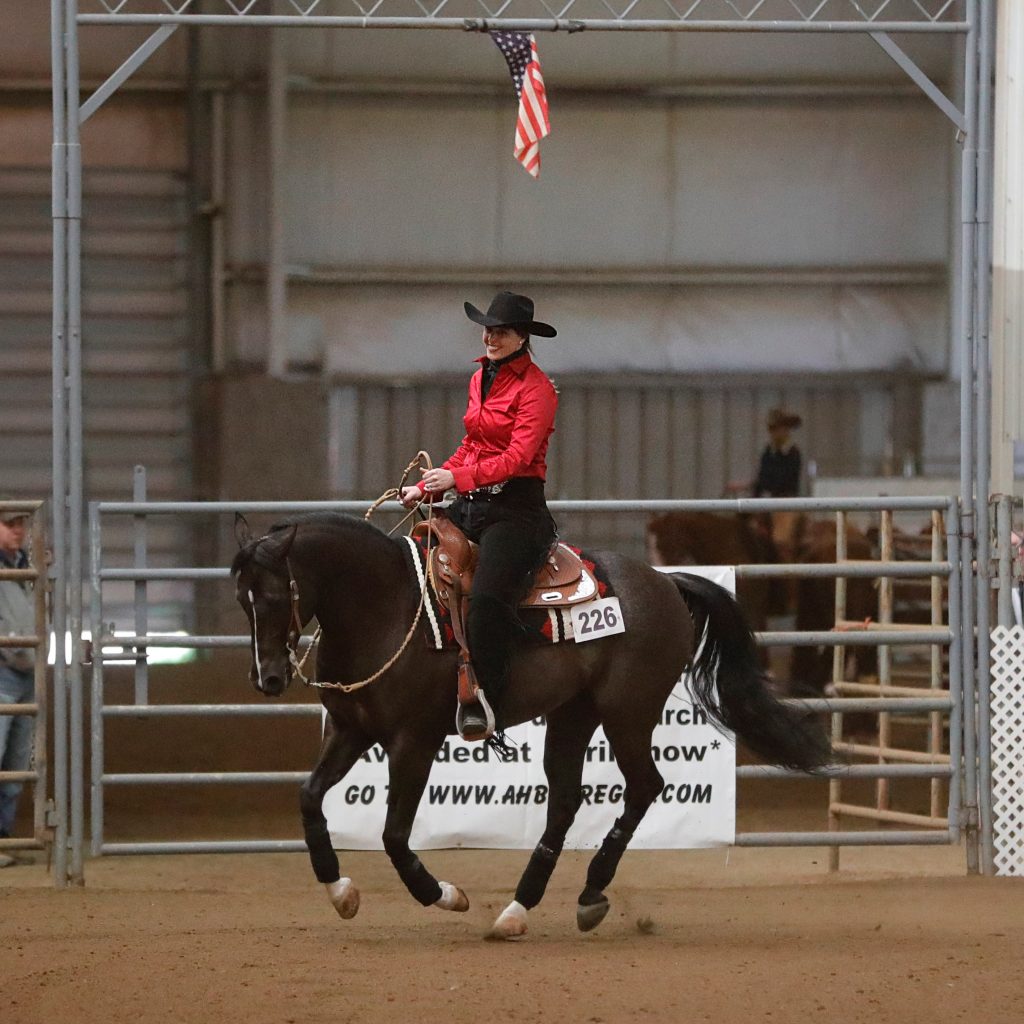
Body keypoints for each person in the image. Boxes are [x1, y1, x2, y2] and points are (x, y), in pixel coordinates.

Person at [401, 291, 559, 743]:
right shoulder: (480, 378)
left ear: (522, 337)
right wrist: (433, 480)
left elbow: (517, 457)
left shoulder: (538, 390)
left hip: (516, 509)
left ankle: (487, 701)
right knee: (412, 569)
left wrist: (456, 478)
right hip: (473, 502)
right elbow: (472, 443)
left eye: (501, 330)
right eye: (488, 329)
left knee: (488, 601)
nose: (490, 336)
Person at [0, 509, 36, 866]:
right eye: (9, 524)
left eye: (20, 524)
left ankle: (3, 839)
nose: (17, 530)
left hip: (25, 672)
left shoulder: (24, 567)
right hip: (4, 671)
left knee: (14, 764)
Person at [753, 408, 803, 498]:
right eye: (772, 429)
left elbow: (787, 482)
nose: (773, 433)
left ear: (786, 429)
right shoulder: (768, 451)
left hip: (786, 500)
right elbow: (762, 478)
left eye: (777, 428)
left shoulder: (793, 453)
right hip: (769, 499)